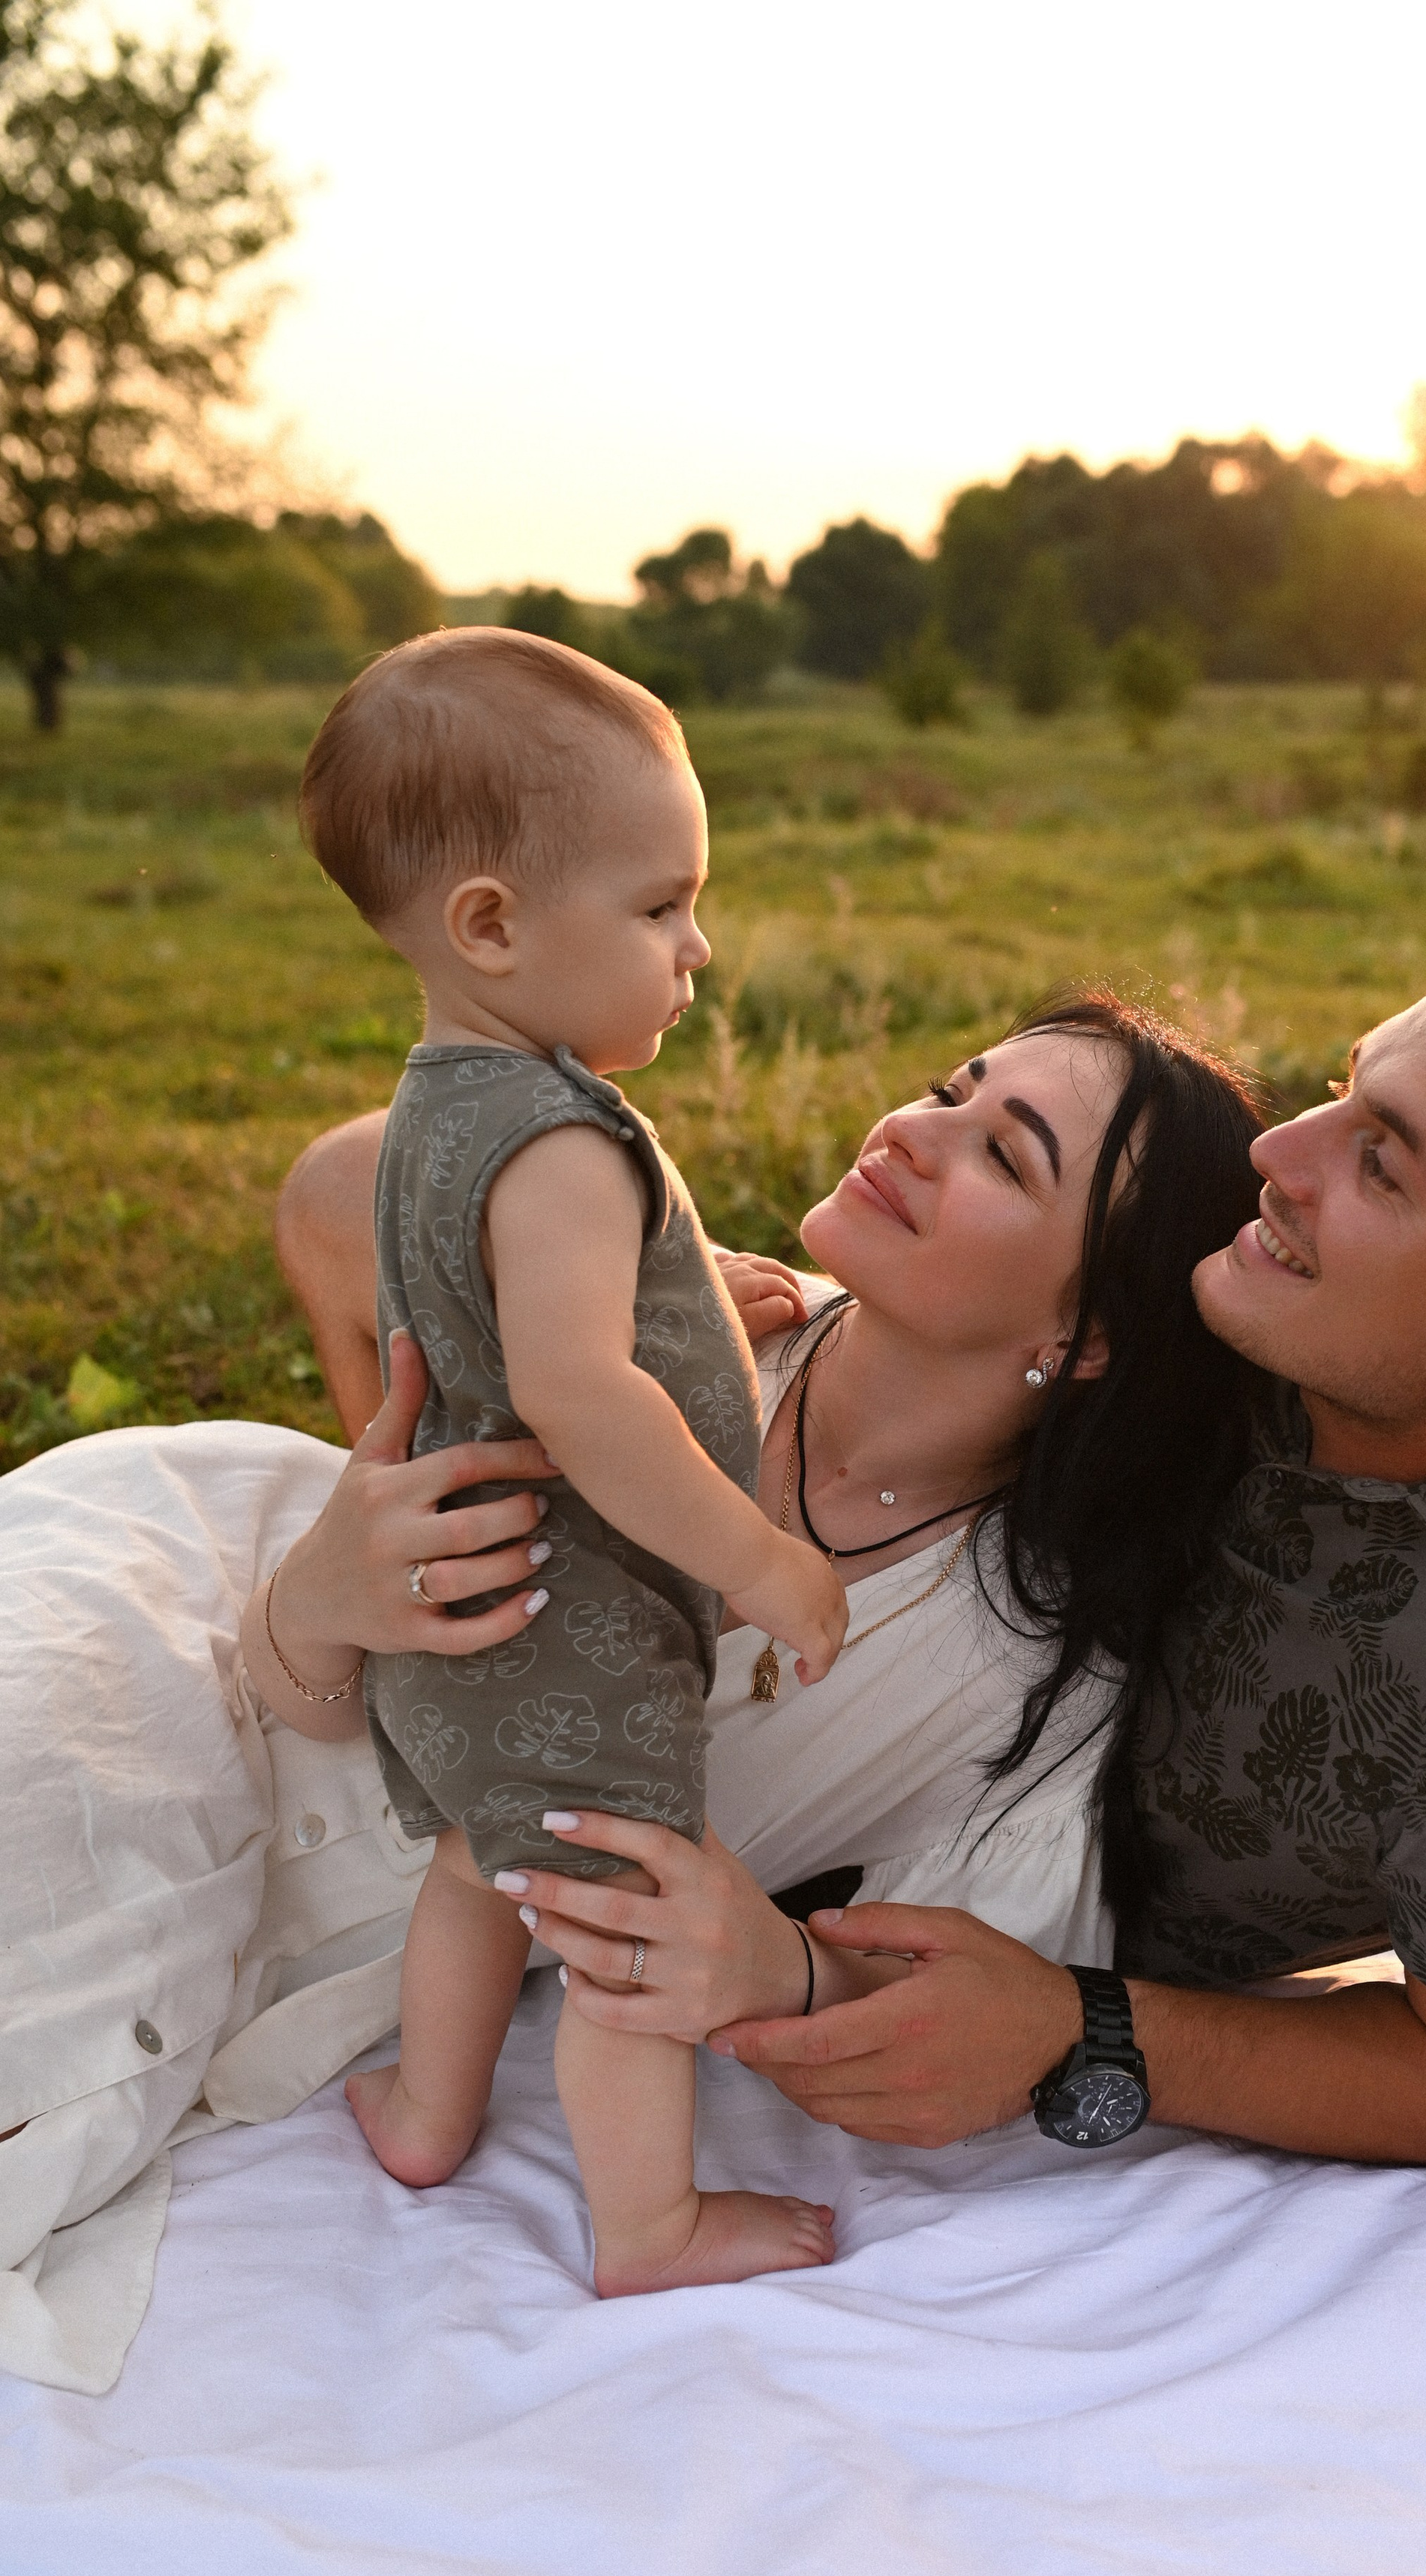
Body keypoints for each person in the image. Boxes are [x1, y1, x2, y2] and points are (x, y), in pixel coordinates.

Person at [0, 985, 1269, 2385]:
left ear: (1087, 1337)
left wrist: (775, 1961)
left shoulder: (1021, 1662)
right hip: (160, 1632)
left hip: (312, 1904)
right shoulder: (672, 1318)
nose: (919, 1129)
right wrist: (333, 1587)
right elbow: (330, 1194)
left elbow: (965, 1996)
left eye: (1004, 1155)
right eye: (954, 1086)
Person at [427, 929, 1426, 2170]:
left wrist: (1091, 2033)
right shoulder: (1271, 1290)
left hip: (959, 1876)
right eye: (1343, 1087)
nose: (1282, 1154)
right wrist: (615, 1339)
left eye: (1380, 1162)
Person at [293, 628, 850, 2292]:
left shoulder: (444, 1104)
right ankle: (647, 2223)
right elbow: (583, 1393)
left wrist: (702, 1303)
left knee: (483, 1861)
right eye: (661, 905)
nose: (700, 946)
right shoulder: (559, 1142)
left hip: (471, 1632)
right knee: (613, 1924)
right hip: (571, 1621)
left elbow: (518, 1323)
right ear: (492, 924)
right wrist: (760, 1560)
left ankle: (423, 2112)